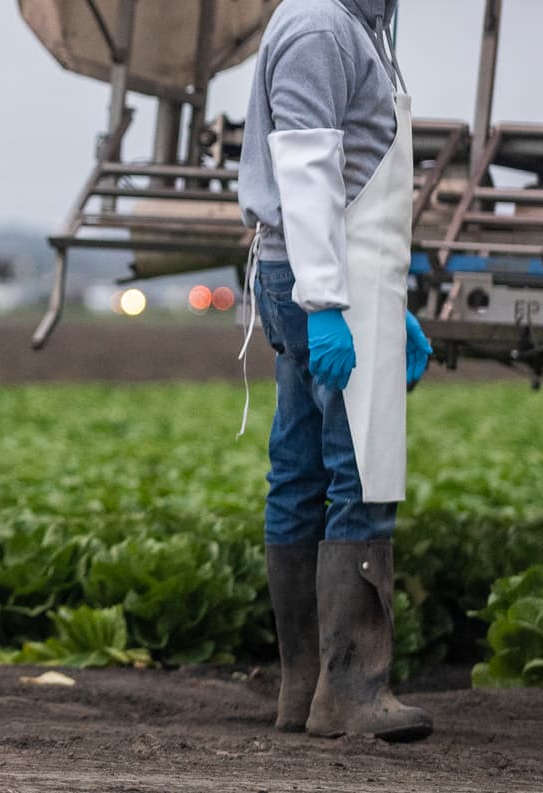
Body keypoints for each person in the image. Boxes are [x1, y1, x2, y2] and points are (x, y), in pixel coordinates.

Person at [238, 0, 434, 741]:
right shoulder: (323, 26)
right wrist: (326, 303)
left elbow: (351, 168)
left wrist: (391, 302)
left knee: (299, 472)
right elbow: (309, 167)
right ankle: (350, 690)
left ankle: (307, 690)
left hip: (339, 276)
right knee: (361, 472)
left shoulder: (356, 26)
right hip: (326, 280)